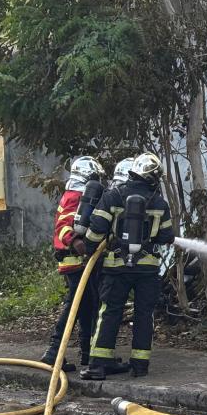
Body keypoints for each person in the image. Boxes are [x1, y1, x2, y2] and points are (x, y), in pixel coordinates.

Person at [80, 153, 174, 380]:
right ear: (153, 177)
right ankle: (140, 366)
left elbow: (97, 228)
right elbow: (166, 237)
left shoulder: (113, 196)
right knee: (144, 314)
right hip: (148, 270)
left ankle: (97, 366)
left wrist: (88, 248)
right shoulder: (160, 203)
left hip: (115, 267)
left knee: (109, 312)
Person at [41, 156, 105, 371]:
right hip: (75, 260)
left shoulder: (76, 194)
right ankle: (53, 352)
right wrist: (75, 240)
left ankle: (87, 354)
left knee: (88, 306)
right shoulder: (75, 196)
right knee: (74, 306)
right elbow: (64, 226)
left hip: (80, 262)